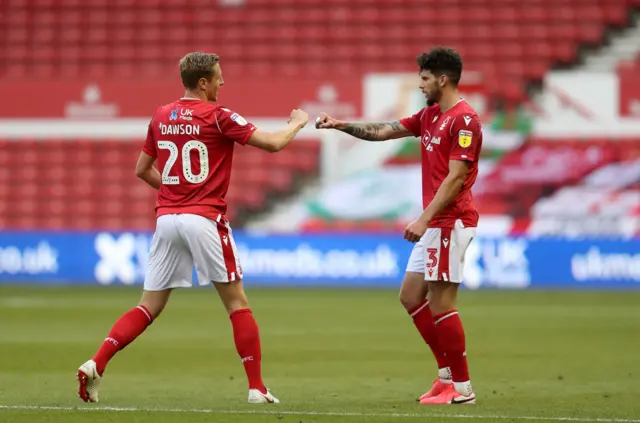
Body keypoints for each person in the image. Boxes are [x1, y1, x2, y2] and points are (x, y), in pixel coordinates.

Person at [76, 52, 309, 405]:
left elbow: (142, 169)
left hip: (167, 218)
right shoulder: (218, 116)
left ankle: (97, 362)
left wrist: (176, 194)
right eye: (218, 77)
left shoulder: (161, 114)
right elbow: (274, 143)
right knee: (237, 304)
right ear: (203, 82)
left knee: (148, 306)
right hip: (204, 218)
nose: (222, 82)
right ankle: (257, 388)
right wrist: (297, 122)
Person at [316, 46, 482, 405]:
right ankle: (445, 376)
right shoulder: (430, 115)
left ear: (442, 78)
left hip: (449, 222)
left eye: (423, 78)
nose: (420, 84)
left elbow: (456, 178)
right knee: (410, 296)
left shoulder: (464, 120)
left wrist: (423, 219)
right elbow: (384, 130)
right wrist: (341, 125)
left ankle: (463, 389)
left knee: (442, 302)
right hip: (436, 223)